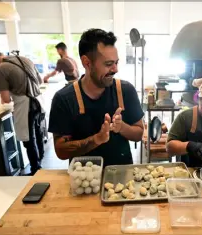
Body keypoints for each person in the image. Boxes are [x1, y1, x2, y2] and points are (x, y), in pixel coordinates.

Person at [48, 29, 144, 166]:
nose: (115, 69)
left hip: (122, 176)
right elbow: (61, 151)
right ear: (87, 63)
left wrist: (121, 127)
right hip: (84, 178)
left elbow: (139, 133)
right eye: (108, 64)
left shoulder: (125, 91)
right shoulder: (64, 99)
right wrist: (97, 139)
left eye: (116, 62)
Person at [0, 50, 45, 175]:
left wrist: (12, 92)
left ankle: (36, 169)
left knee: (28, 139)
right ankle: (40, 161)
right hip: (38, 101)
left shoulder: (0, 69)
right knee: (37, 133)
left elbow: (6, 99)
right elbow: (40, 81)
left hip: (25, 105)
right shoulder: (25, 59)